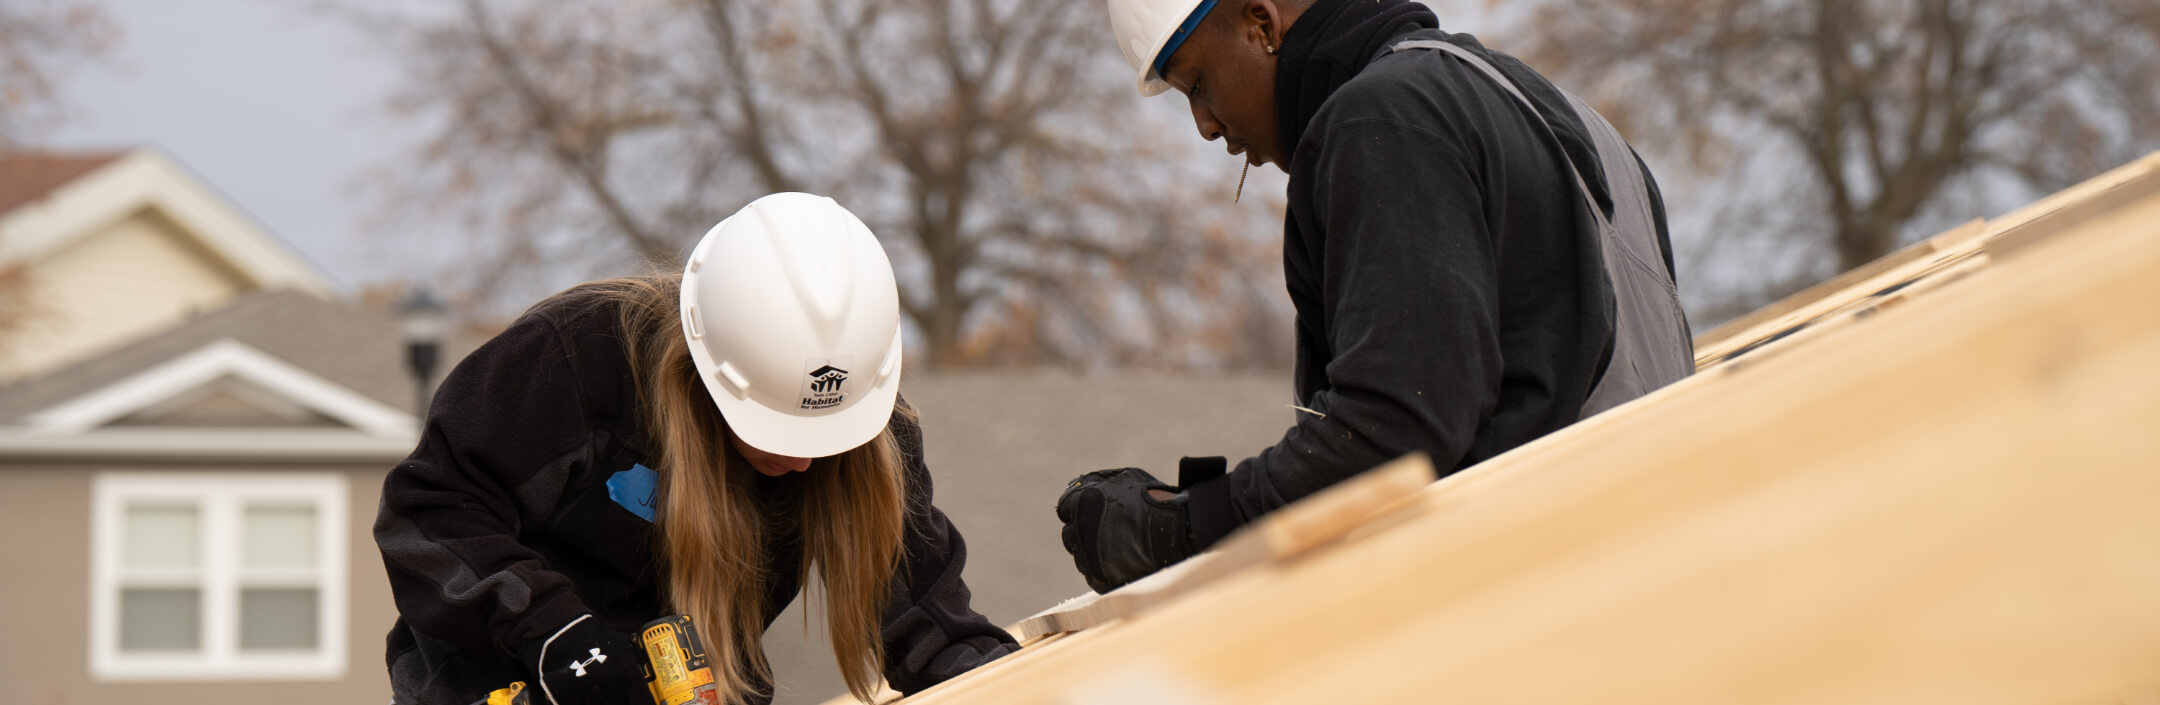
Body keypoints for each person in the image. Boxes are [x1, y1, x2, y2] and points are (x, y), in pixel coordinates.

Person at [1057, 0, 1695, 593]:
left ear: (1260, 24)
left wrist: (1186, 527)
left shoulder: (1386, 117)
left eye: (1197, 84)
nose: (1204, 124)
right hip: (1668, 561)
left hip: (1546, 593)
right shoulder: (1554, 108)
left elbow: (1397, 430)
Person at [376, 193, 1015, 705]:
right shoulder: (571, 363)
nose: (803, 464)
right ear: (704, 373)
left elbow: (930, 616)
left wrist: (995, 681)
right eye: (772, 432)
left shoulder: (865, 418)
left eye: (826, 441)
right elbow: (432, 510)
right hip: (495, 680)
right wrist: (554, 634)